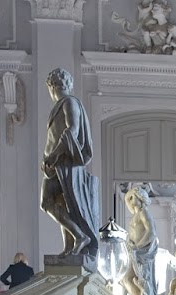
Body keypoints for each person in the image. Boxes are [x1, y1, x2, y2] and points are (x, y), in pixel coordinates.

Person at [40, 68, 101, 262]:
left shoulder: (70, 102)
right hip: (55, 164)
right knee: (60, 202)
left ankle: (80, 236)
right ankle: (70, 244)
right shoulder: (62, 104)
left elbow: (71, 130)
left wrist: (54, 155)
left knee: (48, 201)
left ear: (52, 86)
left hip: (63, 162)